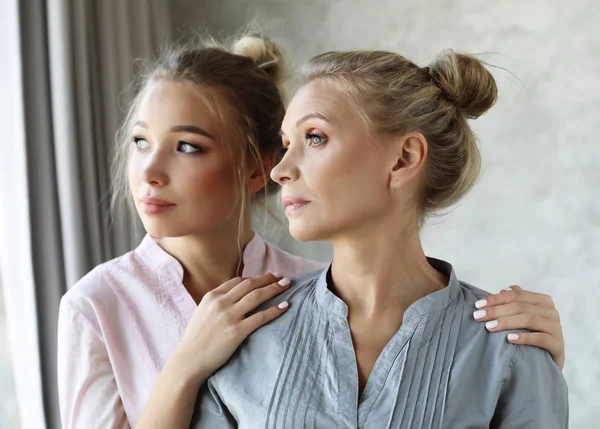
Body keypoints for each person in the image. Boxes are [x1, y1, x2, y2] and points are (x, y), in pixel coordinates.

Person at [56, 34, 566, 429]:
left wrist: (527, 362)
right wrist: (186, 364)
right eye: (285, 143)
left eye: (315, 138)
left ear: (404, 157)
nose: (282, 171)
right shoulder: (242, 334)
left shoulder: (509, 346)